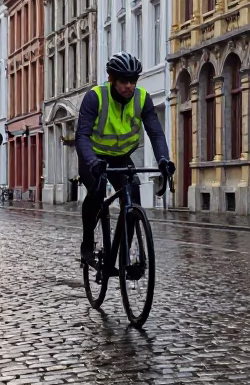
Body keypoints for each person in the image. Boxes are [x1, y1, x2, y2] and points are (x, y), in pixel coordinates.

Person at [75, 52, 175, 264]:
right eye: (123, 81)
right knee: (98, 190)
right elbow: (82, 136)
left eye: (132, 81)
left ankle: (123, 256)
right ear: (111, 79)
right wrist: (92, 162)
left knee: (133, 197)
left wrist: (164, 160)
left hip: (121, 157)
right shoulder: (96, 97)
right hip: (94, 157)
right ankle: (87, 242)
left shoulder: (142, 99)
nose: (128, 86)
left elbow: (156, 133)